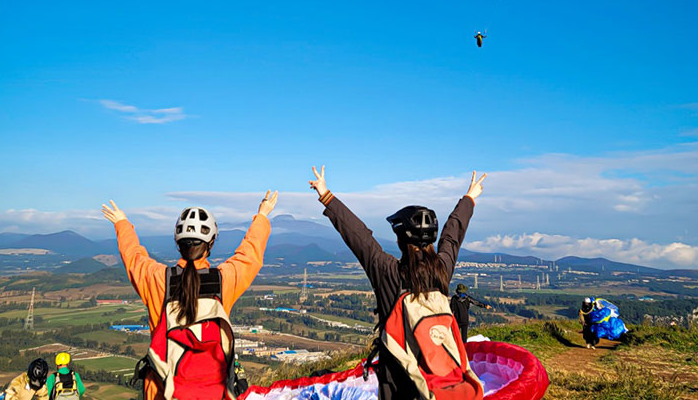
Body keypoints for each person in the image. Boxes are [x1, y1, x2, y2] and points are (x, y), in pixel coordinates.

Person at [309, 165, 487, 400]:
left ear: (400, 239)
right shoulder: (442, 270)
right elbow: (452, 237)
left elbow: (359, 236)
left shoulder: (389, 273)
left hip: (397, 380)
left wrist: (326, 195)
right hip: (437, 379)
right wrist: (469, 199)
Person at [102, 191, 277, 400]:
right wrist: (262, 216)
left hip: (163, 392)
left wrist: (122, 223)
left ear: (178, 243)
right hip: (215, 392)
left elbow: (133, 257)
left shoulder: (158, 279)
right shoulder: (223, 281)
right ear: (211, 243)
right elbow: (250, 255)